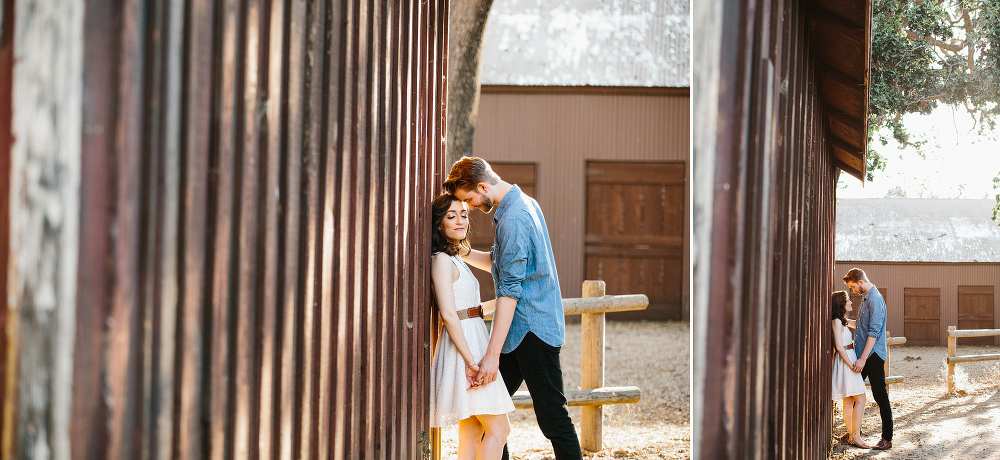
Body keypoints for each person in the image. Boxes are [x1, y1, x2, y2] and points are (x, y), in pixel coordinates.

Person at [444, 157, 583, 460]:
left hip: (532, 330)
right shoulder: (523, 204)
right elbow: (500, 260)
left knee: (552, 419)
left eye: (470, 199)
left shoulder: (513, 219)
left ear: (483, 186)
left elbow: (509, 292)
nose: (473, 206)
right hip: (518, 332)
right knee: (487, 409)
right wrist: (458, 250)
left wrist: (491, 356)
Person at [429, 193, 514, 460]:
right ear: (439, 224)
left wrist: (507, 305)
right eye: (451, 216)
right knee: (500, 430)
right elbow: (449, 314)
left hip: (474, 338)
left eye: (463, 215)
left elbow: (470, 308)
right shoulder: (442, 260)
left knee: (472, 431)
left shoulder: (457, 258)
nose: (459, 221)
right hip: (464, 348)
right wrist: (470, 361)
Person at [842, 268, 893, 450]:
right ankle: (854, 432)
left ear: (860, 282)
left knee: (880, 396)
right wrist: (842, 320)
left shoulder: (876, 299)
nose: (853, 290)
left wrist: (862, 359)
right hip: (862, 354)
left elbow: (873, 333)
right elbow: (861, 326)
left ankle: (887, 438)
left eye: (853, 286)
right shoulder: (865, 298)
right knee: (854, 394)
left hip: (872, 356)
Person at [830, 291, 871, 448]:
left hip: (849, 357)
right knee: (861, 399)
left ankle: (852, 436)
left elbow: (860, 324)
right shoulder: (836, 322)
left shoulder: (842, 320)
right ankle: (856, 436)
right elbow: (839, 347)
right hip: (846, 360)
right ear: (841, 304)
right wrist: (850, 365)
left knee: (849, 400)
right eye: (848, 301)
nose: (851, 303)